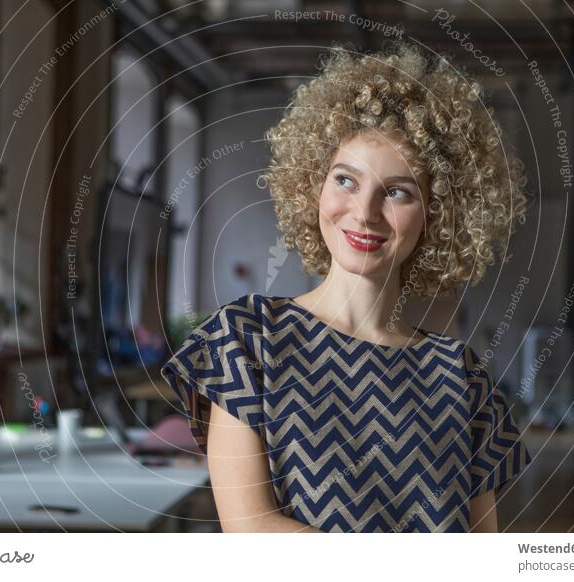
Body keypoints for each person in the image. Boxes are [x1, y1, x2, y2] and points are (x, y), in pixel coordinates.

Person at [160, 41, 532, 533]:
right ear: (312, 184)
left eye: (397, 191)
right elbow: (251, 533)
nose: (364, 213)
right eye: (346, 180)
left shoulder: (463, 379)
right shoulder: (246, 340)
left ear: (439, 214)